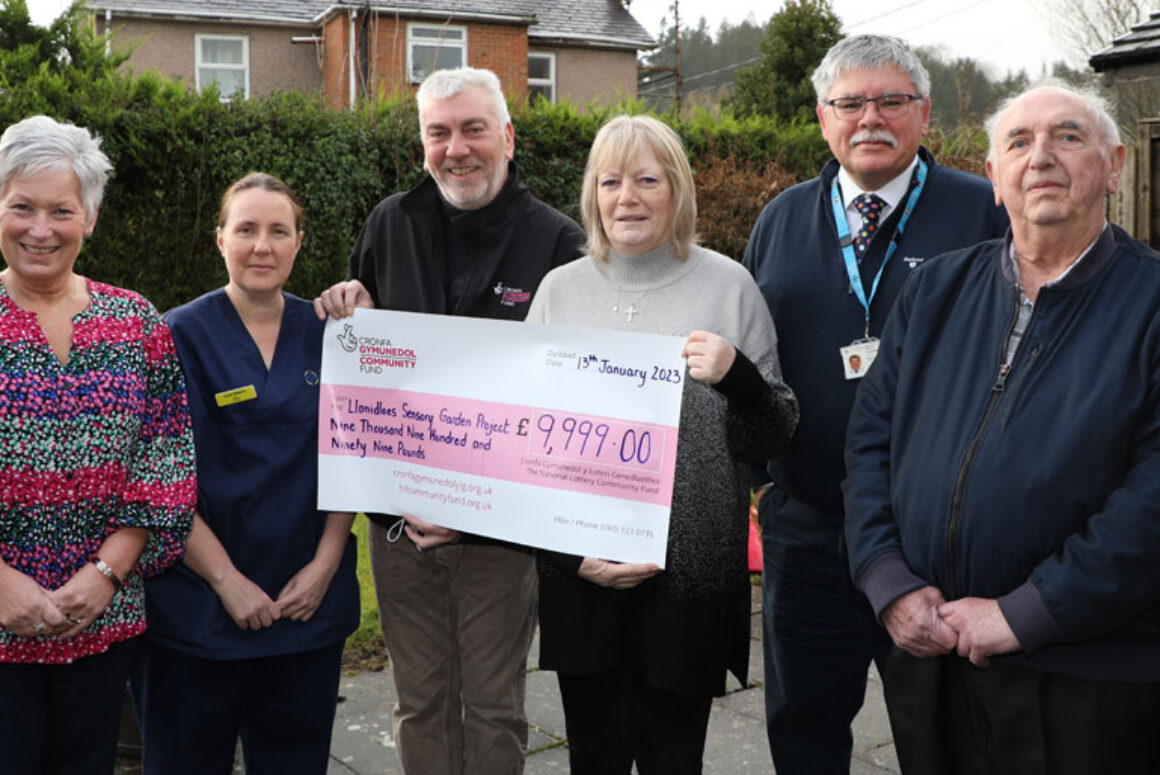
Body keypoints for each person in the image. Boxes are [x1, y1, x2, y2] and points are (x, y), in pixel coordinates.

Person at [844, 82, 1160, 773]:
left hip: (1090, 674)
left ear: (1115, 164)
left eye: (1068, 137)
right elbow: (869, 443)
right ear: (994, 178)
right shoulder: (934, 290)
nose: (1040, 156)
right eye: (1019, 141)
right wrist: (887, 577)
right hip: (932, 660)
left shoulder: (1151, 302)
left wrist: (1030, 611)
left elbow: (1153, 502)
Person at [741, 34, 1009, 774]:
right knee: (803, 728)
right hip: (807, 530)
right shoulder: (783, 217)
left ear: (924, 113)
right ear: (822, 116)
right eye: (850, 102)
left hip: (929, 538)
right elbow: (754, 362)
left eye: (892, 101)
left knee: (942, 732)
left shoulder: (985, 211)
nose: (871, 118)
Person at [314, 67, 585, 774]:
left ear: (507, 135)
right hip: (400, 527)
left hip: (500, 529)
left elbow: (566, 400)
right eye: (438, 131)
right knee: (419, 699)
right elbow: (362, 363)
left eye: (472, 129)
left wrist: (477, 507)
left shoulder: (557, 243)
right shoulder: (389, 223)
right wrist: (347, 304)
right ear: (422, 141)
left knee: (494, 705)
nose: (456, 148)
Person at [526, 114, 799, 774]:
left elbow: (776, 432)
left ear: (677, 191)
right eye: (612, 180)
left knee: (675, 758)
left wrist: (740, 379)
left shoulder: (729, 286)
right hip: (585, 576)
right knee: (594, 756)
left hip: (690, 584)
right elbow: (523, 445)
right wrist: (569, 555)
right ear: (592, 193)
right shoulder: (559, 292)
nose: (629, 197)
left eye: (648, 179)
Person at [133, 173, 359, 774]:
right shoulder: (175, 335)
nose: (262, 245)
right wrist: (226, 580)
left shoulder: (336, 336)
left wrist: (324, 567)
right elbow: (159, 475)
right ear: (220, 240)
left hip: (305, 608)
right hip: (199, 610)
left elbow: (356, 455)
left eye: (278, 231)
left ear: (299, 243)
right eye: (247, 229)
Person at [0, 115, 196, 774]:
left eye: (61, 210)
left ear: (91, 218)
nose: (39, 228)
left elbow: (164, 457)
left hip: (100, 619)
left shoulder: (134, 322)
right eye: (21, 206)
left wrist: (106, 573)